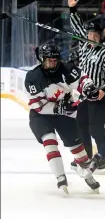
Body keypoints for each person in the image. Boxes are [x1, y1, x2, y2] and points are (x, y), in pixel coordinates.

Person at [24, 43, 100, 193]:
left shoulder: (66, 69)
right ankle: (60, 177)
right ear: (41, 59)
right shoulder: (33, 77)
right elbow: (36, 105)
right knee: (49, 141)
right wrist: (57, 108)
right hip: (41, 115)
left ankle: (87, 175)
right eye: (49, 60)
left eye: (55, 60)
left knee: (77, 148)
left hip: (65, 113)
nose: (52, 62)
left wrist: (88, 87)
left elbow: (82, 79)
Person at [68, 0, 105, 169]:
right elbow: (77, 28)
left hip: (100, 96)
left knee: (96, 128)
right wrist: (73, 9)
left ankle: (104, 160)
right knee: (81, 125)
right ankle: (87, 158)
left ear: (101, 35)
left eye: (95, 34)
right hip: (84, 95)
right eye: (90, 34)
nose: (92, 36)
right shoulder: (84, 45)